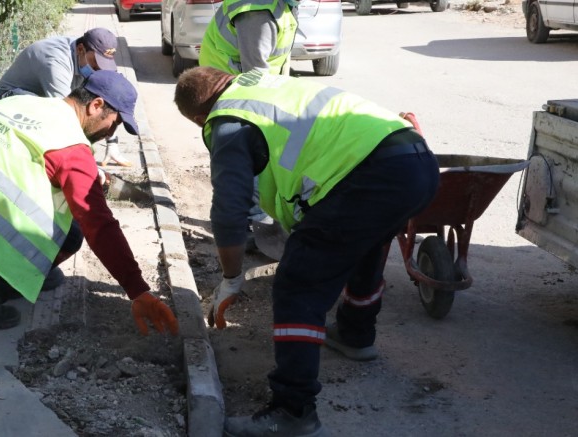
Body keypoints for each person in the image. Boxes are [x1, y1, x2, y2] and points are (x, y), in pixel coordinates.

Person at [174, 67, 439, 436]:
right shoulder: (262, 85)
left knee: (298, 283)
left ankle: (293, 411)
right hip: (417, 162)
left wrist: (232, 279)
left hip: (371, 175)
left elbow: (229, 211)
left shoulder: (228, 121)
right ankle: (355, 334)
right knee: (363, 241)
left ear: (200, 117)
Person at [0, 70, 179, 336]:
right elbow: (100, 225)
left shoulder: (21, 102)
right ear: (95, 105)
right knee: (72, 235)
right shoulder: (71, 148)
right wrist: (137, 290)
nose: (111, 132)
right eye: (115, 122)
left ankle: (18, 274)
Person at [199, 0, 300, 228]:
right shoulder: (257, 11)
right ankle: (248, 224)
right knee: (248, 158)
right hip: (233, 94)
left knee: (248, 157)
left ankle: (244, 221)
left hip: (242, 89)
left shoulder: (279, 5)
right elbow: (255, 72)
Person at [0, 27, 133, 167]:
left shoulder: (85, 56)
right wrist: (85, 166)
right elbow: (67, 116)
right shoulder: (56, 61)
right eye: (96, 63)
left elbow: (106, 103)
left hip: (42, 100)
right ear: (80, 50)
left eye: (104, 65)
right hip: (8, 101)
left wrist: (112, 142)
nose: (99, 70)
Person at [198, 0, 299, 75]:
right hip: (228, 87)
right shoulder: (258, 10)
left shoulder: (285, 4)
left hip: (237, 84)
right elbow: (254, 73)